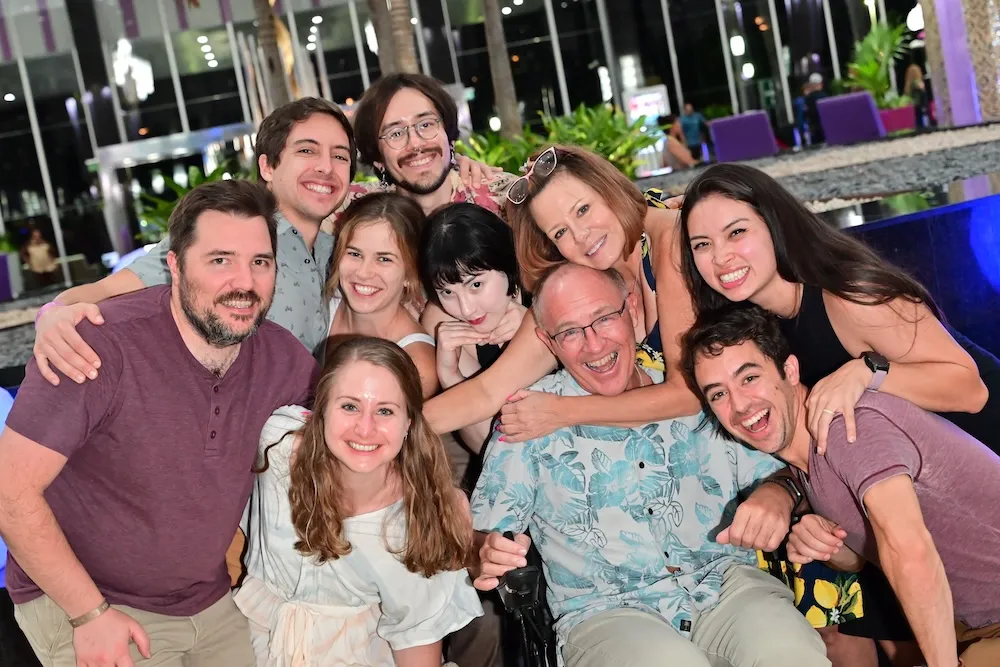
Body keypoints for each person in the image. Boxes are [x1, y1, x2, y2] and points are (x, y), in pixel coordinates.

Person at [0, 181, 320, 667]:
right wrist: (89, 614)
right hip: (88, 601)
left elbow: (352, 426)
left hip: (207, 602)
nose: (245, 281)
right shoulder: (97, 347)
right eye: (220, 260)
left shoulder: (278, 355)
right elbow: (9, 490)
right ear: (173, 266)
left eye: (260, 262)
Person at [472, 263, 829, 667]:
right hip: (606, 613)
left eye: (603, 318)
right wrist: (484, 550)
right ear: (548, 342)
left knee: (791, 653)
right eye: (570, 331)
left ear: (633, 309)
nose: (593, 344)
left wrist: (781, 493)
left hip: (726, 586)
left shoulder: (700, 393)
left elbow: (787, 471)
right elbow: (483, 533)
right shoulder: (527, 416)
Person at [682, 302, 1000, 667]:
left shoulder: (846, 428)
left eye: (749, 377)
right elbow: (865, 558)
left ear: (789, 369)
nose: (738, 405)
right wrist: (832, 547)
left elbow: (909, 549)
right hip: (976, 628)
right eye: (718, 394)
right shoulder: (809, 464)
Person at [680, 163, 998, 455]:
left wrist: (865, 373)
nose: (720, 257)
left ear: (775, 225)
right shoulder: (757, 325)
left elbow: (971, 391)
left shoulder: (848, 297)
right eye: (702, 244)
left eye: (736, 232)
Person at [423, 144, 701, 442]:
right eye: (560, 232)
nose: (581, 236)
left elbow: (687, 394)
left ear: (607, 190)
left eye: (583, 210)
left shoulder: (670, 240)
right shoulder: (579, 272)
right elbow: (488, 390)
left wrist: (563, 411)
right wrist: (386, 432)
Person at [236, 336, 482, 666]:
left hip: (354, 653)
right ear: (320, 410)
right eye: (350, 406)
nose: (365, 429)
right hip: (249, 635)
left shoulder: (418, 522)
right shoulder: (276, 447)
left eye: (384, 411)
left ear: (409, 423)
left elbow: (416, 640)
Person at [419, 203, 528, 456]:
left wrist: (538, 330)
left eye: (476, 284)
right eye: (447, 292)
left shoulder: (549, 288)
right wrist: (450, 376)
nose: (467, 310)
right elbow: (490, 449)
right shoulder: (445, 323)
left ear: (507, 262)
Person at [348, 72, 514, 218]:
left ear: (448, 134)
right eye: (396, 133)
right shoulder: (355, 211)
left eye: (426, 125)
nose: (415, 143)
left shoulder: (505, 199)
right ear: (378, 158)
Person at [326, 193, 438, 397]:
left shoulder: (417, 366)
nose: (363, 272)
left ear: (410, 273)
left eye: (384, 259)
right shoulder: (316, 309)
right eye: (354, 254)